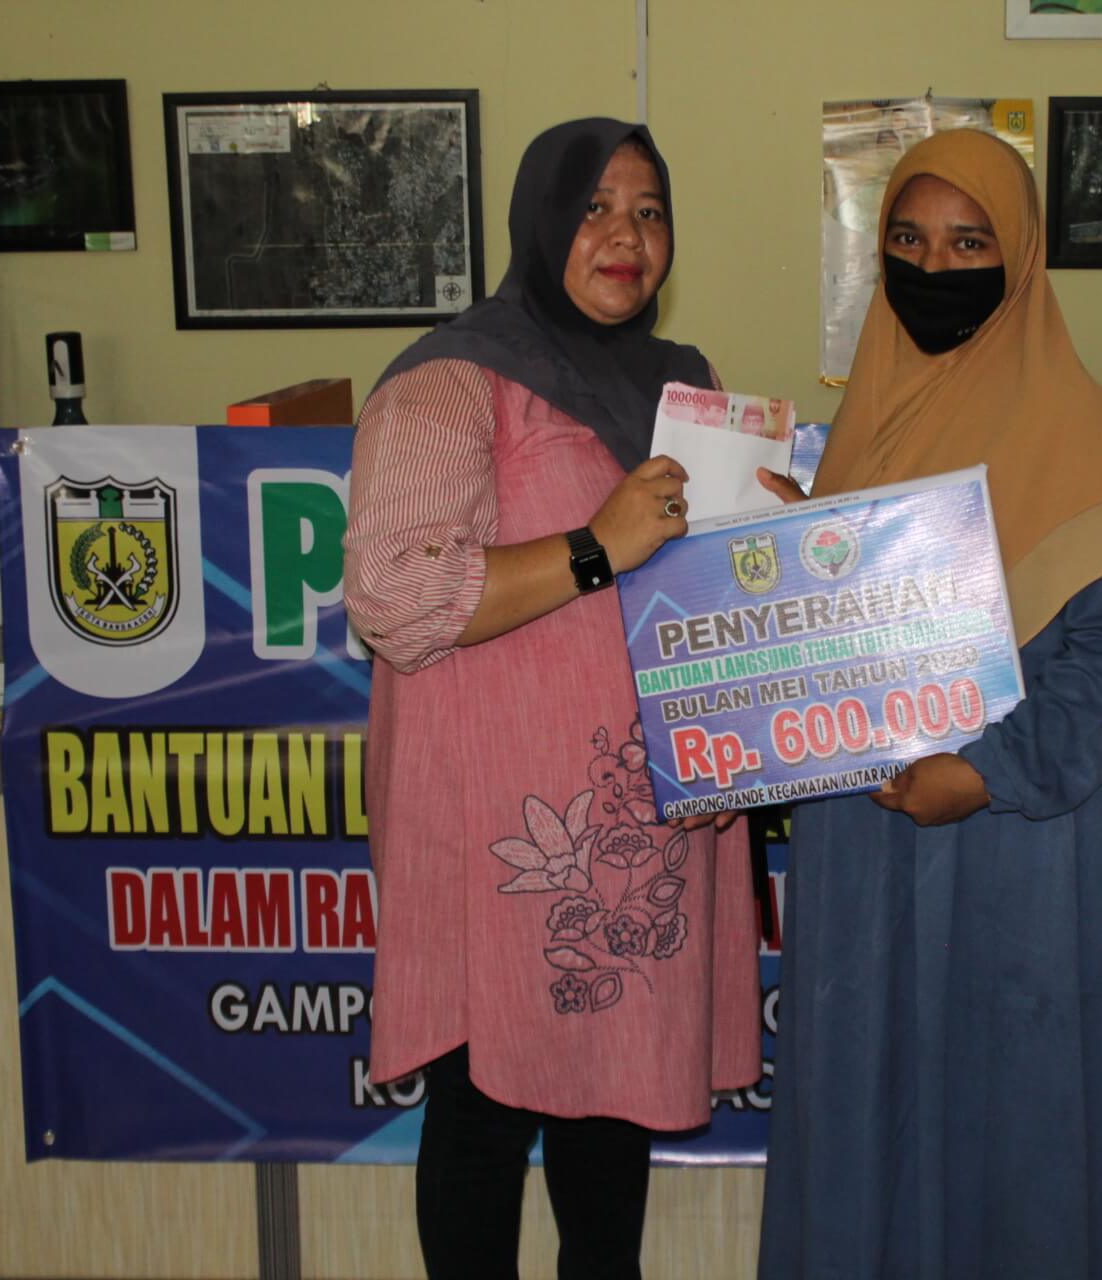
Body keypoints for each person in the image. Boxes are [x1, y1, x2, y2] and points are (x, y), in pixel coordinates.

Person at [755, 128, 1102, 1280]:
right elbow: (856, 625)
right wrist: (796, 551)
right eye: (907, 240)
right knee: (869, 1113)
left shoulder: (1080, 434)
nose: (933, 268)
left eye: (968, 242)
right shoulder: (872, 420)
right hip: (870, 843)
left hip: (1018, 855)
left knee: (1022, 1123)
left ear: (1020, 257)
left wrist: (986, 772)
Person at [343, 118, 760, 1280]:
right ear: (540, 220)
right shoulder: (452, 380)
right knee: (482, 1118)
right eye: (595, 209)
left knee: (612, 1119)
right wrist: (593, 545)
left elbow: (713, 591)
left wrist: (735, 733)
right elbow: (393, 595)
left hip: (639, 829)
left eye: (649, 211)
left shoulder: (687, 386)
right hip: (503, 846)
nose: (626, 235)